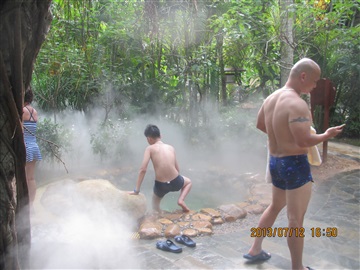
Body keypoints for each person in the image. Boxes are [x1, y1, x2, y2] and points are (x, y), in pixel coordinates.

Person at [243, 58, 345, 270]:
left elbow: (260, 124)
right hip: (295, 165)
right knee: (295, 220)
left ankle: (255, 249)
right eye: (314, 81)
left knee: (275, 206)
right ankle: (297, 268)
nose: (315, 86)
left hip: (275, 162)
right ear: (303, 76)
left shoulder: (271, 98)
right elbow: (304, 141)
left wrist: (281, 136)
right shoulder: (298, 104)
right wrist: (326, 135)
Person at [129, 124, 192, 213]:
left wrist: (136, 190)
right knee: (188, 182)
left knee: (155, 207)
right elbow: (177, 169)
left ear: (148, 138)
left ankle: (161, 216)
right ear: (160, 136)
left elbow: (143, 169)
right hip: (176, 181)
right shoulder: (171, 148)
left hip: (161, 186)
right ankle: (181, 200)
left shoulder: (149, 148)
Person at [23, 87, 42, 208]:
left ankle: (23, 205)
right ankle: (30, 205)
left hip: (25, 146)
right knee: (31, 178)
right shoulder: (34, 111)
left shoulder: (22, 110)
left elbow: (20, 130)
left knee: (23, 178)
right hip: (34, 146)